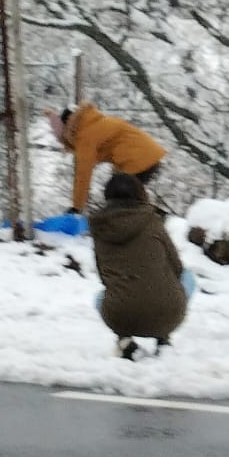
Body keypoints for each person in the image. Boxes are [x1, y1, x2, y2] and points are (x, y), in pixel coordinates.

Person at [88, 170, 195, 360]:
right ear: (140, 193)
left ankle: (125, 341)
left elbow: (103, 276)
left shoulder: (100, 227)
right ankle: (163, 339)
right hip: (167, 315)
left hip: (119, 315)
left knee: (100, 297)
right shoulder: (152, 221)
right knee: (189, 278)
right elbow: (177, 267)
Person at [49, 102, 167, 216]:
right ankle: (161, 221)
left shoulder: (84, 135)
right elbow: (118, 145)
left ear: (68, 128)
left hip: (138, 160)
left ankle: (157, 221)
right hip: (147, 156)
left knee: (119, 199)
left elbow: (83, 174)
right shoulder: (95, 122)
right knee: (129, 199)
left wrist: (76, 207)